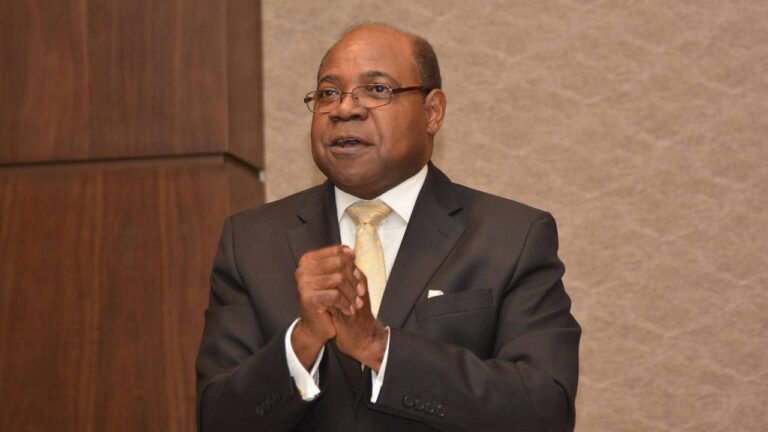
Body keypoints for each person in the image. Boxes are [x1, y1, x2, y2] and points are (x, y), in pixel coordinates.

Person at [195, 23, 580, 432]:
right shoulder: (251, 243)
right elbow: (217, 419)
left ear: (432, 112)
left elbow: (545, 409)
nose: (345, 109)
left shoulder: (512, 236)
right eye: (328, 93)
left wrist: (379, 348)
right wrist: (302, 341)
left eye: (377, 89)